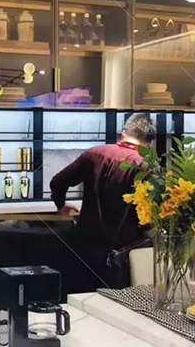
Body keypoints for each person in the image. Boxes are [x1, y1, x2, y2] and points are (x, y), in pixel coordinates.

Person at [49, 113, 156, 292]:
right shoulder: (144, 166)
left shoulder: (94, 154)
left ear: (123, 133)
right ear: (149, 144)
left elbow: (57, 182)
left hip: (83, 248)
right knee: (114, 304)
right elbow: (149, 217)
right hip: (120, 257)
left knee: (81, 300)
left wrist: (61, 205)